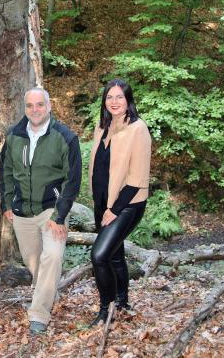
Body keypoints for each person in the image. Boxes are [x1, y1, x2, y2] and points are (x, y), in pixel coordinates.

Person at [0, 87, 82, 335]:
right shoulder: (14, 135)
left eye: (39, 105)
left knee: (53, 256)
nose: (35, 110)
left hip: (51, 210)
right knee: (34, 263)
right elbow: (6, 172)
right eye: (30, 106)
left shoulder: (65, 137)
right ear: (25, 108)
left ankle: (38, 315)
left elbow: (73, 180)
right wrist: (6, 204)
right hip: (22, 211)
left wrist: (60, 215)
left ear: (49, 106)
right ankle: (49, 292)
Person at [88, 79, 151, 325]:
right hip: (103, 202)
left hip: (127, 204)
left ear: (128, 100)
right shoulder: (102, 126)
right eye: (110, 97)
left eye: (119, 97)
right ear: (105, 101)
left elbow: (137, 178)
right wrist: (101, 205)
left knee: (100, 255)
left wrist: (113, 210)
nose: (114, 102)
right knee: (114, 255)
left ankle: (106, 311)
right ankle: (122, 302)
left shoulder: (138, 128)